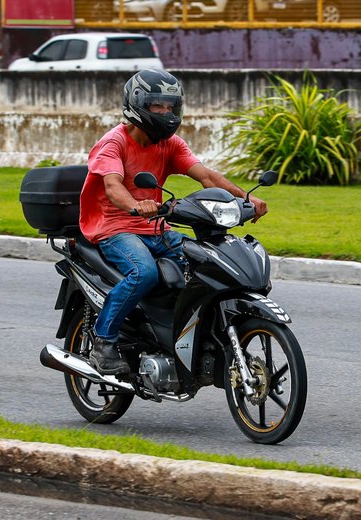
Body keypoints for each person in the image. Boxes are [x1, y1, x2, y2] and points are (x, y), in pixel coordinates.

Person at [79, 69, 267, 376]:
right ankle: (104, 341)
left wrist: (245, 198)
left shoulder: (171, 144)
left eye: (170, 106)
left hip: (156, 227)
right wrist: (136, 205)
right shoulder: (113, 143)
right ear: (137, 104)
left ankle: (180, 337)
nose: (166, 113)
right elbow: (113, 187)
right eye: (157, 106)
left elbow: (206, 176)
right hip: (115, 227)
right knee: (143, 273)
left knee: (206, 264)